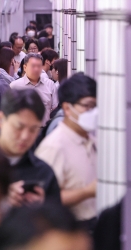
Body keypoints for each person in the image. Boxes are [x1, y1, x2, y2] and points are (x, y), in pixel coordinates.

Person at [36, 73, 98, 230]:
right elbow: (43, 199)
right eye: (88, 106)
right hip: (72, 229)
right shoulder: (54, 146)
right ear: (67, 108)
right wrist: (86, 192)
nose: (93, 112)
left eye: (96, 107)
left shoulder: (93, 141)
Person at [0, 89, 61, 206]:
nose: (25, 136)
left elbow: (58, 220)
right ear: (0, 119)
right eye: (19, 127)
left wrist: (43, 209)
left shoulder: (44, 172)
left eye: (33, 130)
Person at [10, 53, 58, 127]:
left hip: (44, 130)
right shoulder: (15, 86)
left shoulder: (50, 84)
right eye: (33, 66)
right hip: (22, 131)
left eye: (39, 66)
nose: (36, 69)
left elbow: (55, 109)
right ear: (25, 67)